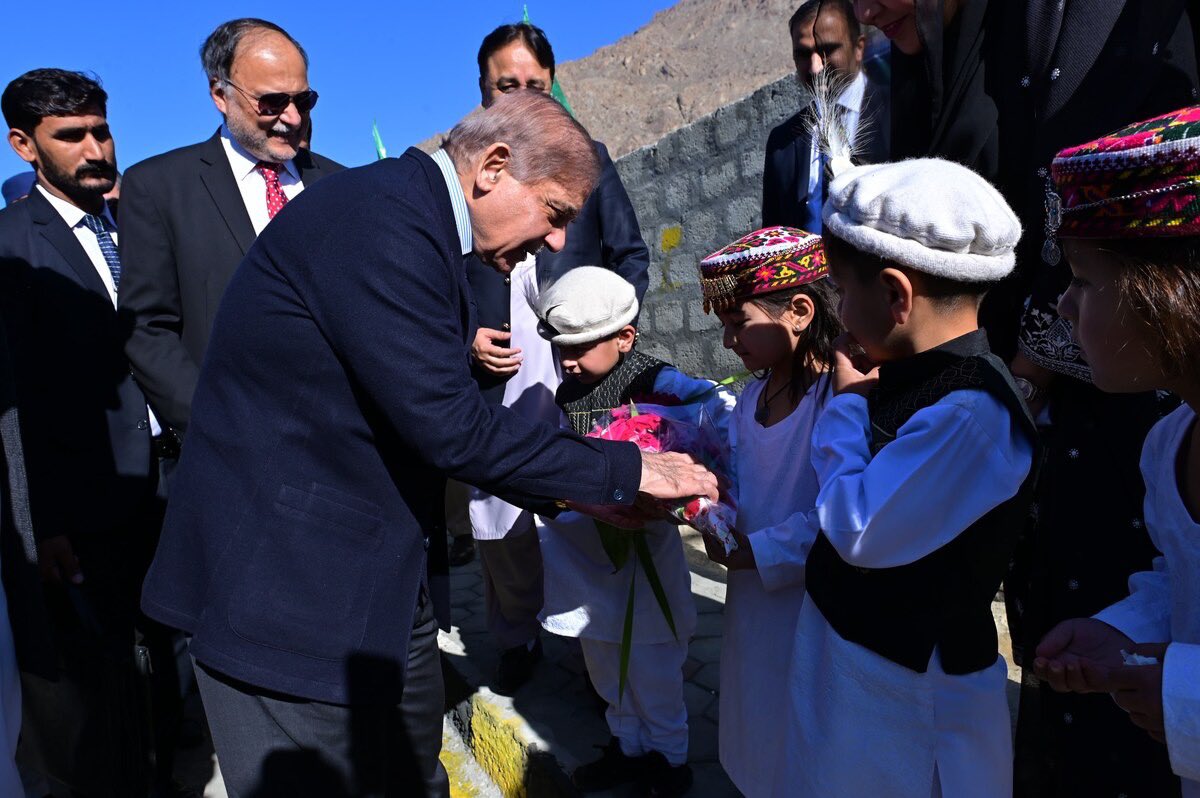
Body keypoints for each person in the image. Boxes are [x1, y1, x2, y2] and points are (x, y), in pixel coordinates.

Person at [138, 89, 717, 798]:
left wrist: (583, 490)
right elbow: (449, 426)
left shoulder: (411, 220)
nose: (560, 241)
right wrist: (626, 469)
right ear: (494, 168)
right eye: (556, 212)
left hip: (367, 581)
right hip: (287, 597)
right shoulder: (381, 220)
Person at [774, 157, 1038, 797]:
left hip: (910, 701)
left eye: (840, 289)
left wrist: (845, 406)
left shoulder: (971, 416)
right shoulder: (910, 375)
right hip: (864, 681)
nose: (836, 308)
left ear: (895, 294)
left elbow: (859, 527)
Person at [0, 69, 191, 795]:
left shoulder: (142, 225)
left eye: (101, 130)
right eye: (71, 136)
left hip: (174, 483)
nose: (95, 149)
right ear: (24, 145)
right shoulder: (12, 248)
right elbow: (19, 403)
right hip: (84, 510)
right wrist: (41, 525)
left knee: (172, 658)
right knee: (104, 682)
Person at [464, 21, 651, 693]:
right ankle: (515, 638)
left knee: (578, 506)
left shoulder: (589, 157)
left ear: (554, 86)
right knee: (500, 514)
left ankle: (590, 646)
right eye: (504, 85)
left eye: (534, 85)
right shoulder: (465, 176)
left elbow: (630, 255)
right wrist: (467, 336)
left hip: (576, 375)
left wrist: (605, 337)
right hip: (498, 377)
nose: (520, 95)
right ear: (482, 91)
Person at [1032, 104, 1200, 797]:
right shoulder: (1169, 444)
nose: (1064, 308)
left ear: (1173, 292)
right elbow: (1183, 580)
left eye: (1085, 280)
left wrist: (1179, 687)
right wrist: (1122, 633)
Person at [529, 267, 731, 797]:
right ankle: (626, 745)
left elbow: (711, 409)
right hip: (586, 546)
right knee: (602, 652)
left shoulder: (654, 381)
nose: (568, 359)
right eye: (560, 347)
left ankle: (669, 758)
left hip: (642, 543)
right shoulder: (569, 389)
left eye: (580, 346)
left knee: (651, 657)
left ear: (625, 337)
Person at [118, 18, 342, 440]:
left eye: (304, 100)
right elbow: (148, 329)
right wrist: (213, 423)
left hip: (341, 446)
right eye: (272, 102)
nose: (292, 118)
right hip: (229, 450)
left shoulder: (343, 187)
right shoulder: (159, 187)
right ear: (220, 94)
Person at [696, 227, 838, 797]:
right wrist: (712, 513)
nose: (730, 342)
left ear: (799, 311)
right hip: (753, 599)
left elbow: (841, 511)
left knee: (806, 727)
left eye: (739, 323)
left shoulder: (841, 401)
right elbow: (740, 484)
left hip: (813, 604)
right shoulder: (751, 400)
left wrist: (763, 550)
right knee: (756, 717)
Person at [762, 0, 889, 231]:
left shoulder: (898, 110)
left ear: (859, 48)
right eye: (802, 54)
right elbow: (774, 237)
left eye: (827, 50)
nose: (815, 67)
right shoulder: (782, 143)